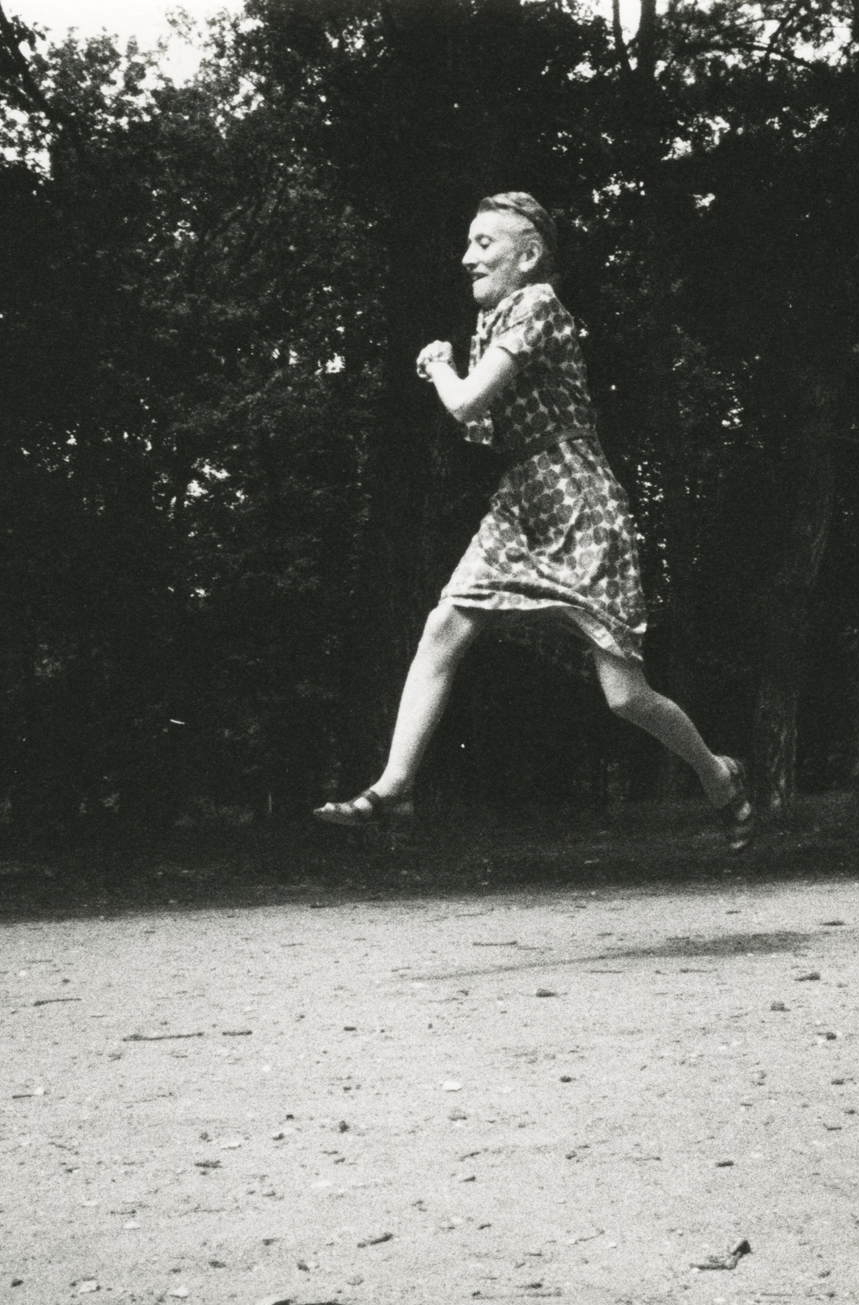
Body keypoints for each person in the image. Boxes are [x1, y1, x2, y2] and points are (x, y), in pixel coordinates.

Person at [314, 192, 754, 851]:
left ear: (528, 255)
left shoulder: (538, 304)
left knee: (624, 696)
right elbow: (486, 428)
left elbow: (467, 405)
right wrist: (450, 370)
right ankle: (394, 787)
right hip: (522, 499)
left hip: (578, 499)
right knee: (443, 626)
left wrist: (439, 367)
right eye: (467, 244)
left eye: (483, 243)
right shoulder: (493, 321)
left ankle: (719, 776)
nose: (468, 258)